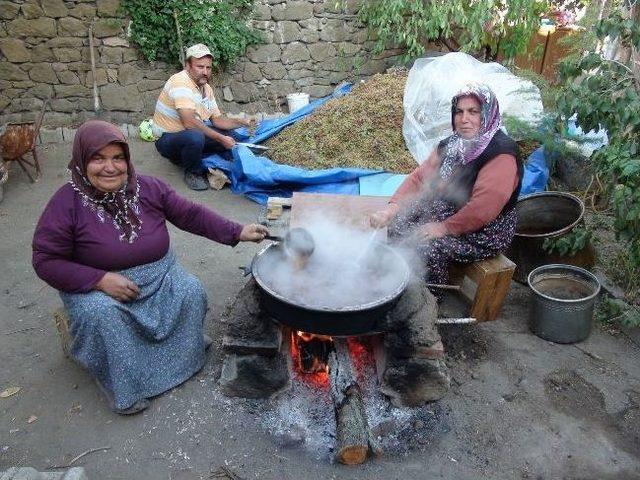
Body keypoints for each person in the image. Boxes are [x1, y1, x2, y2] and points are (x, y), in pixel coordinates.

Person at [32, 120, 269, 415]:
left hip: (158, 276)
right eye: (98, 158)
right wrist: (99, 279)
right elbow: (46, 260)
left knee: (190, 290)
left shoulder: (148, 187)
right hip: (99, 288)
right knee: (102, 316)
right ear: (82, 160)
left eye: (118, 158)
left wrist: (237, 231)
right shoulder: (66, 203)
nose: (110, 167)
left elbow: (190, 214)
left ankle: (185, 360)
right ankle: (128, 389)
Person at [370, 83, 523, 287]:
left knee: (427, 246)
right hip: (453, 209)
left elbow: (484, 209)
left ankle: (427, 298)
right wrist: (391, 210)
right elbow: (419, 179)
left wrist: (443, 227)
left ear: (487, 114)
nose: (464, 119)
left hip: (488, 228)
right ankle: (394, 279)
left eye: (473, 112)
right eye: (459, 112)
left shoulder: (501, 154)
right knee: (400, 222)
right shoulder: (453, 144)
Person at [152, 43, 256, 191]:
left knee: (231, 136)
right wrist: (220, 139)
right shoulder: (180, 82)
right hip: (167, 140)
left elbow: (217, 120)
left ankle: (198, 155)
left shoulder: (206, 89)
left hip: (188, 134)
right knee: (196, 137)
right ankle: (193, 172)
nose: (205, 72)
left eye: (208, 68)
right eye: (200, 67)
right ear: (188, 66)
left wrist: (241, 121)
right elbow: (189, 123)